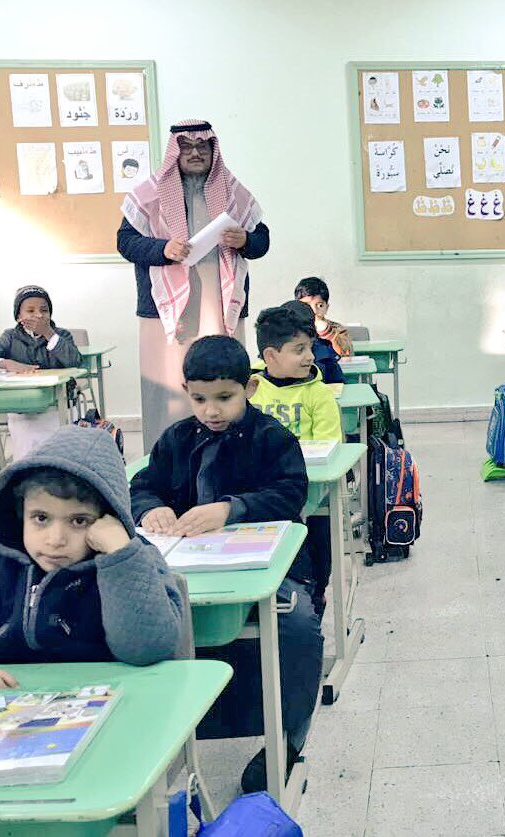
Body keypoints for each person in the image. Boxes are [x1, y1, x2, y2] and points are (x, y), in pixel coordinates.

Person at [128, 335, 320, 793]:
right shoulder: (176, 439)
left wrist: (232, 509)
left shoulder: (272, 437)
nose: (211, 411)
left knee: (299, 626)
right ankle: (156, 736)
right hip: (188, 572)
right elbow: (143, 484)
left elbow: (291, 492)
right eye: (199, 399)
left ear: (250, 389)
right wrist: (150, 507)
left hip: (270, 568)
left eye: (224, 398)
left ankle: (286, 740)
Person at [0, 426, 184, 688]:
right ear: (19, 513)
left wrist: (121, 555)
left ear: (110, 519)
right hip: (7, 718)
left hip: (116, 708)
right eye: (40, 518)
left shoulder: (134, 560)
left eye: (79, 521)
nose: (55, 540)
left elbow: (147, 648)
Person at [117, 119, 270, 451]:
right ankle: (165, 463)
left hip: (220, 307)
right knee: (168, 390)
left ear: (213, 150)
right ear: (175, 152)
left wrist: (245, 239)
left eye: (203, 146)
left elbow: (262, 241)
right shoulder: (149, 195)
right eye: (187, 147)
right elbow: (125, 243)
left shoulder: (232, 192)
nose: (196, 153)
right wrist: (162, 249)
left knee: (223, 380)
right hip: (166, 313)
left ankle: (228, 456)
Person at [252, 304, 343, 614]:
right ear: (271, 356)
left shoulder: (319, 395)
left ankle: (315, 598)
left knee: (317, 548)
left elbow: (328, 447)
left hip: (311, 492)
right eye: (299, 349)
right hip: (264, 492)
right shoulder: (252, 392)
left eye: (311, 348)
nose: (310, 357)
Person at [0, 285, 82, 458]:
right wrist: (5, 363)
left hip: (58, 406)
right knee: (27, 456)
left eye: (44, 310)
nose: (38, 315)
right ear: (19, 317)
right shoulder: (10, 337)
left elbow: (74, 360)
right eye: (30, 310)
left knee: (58, 455)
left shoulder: (61, 335)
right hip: (22, 408)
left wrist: (48, 333)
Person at [294, 276, 354, 358]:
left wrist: (330, 334)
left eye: (320, 305)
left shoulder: (337, 329)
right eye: (307, 305)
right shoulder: (292, 328)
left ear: (326, 308)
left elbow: (347, 354)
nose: (314, 311)